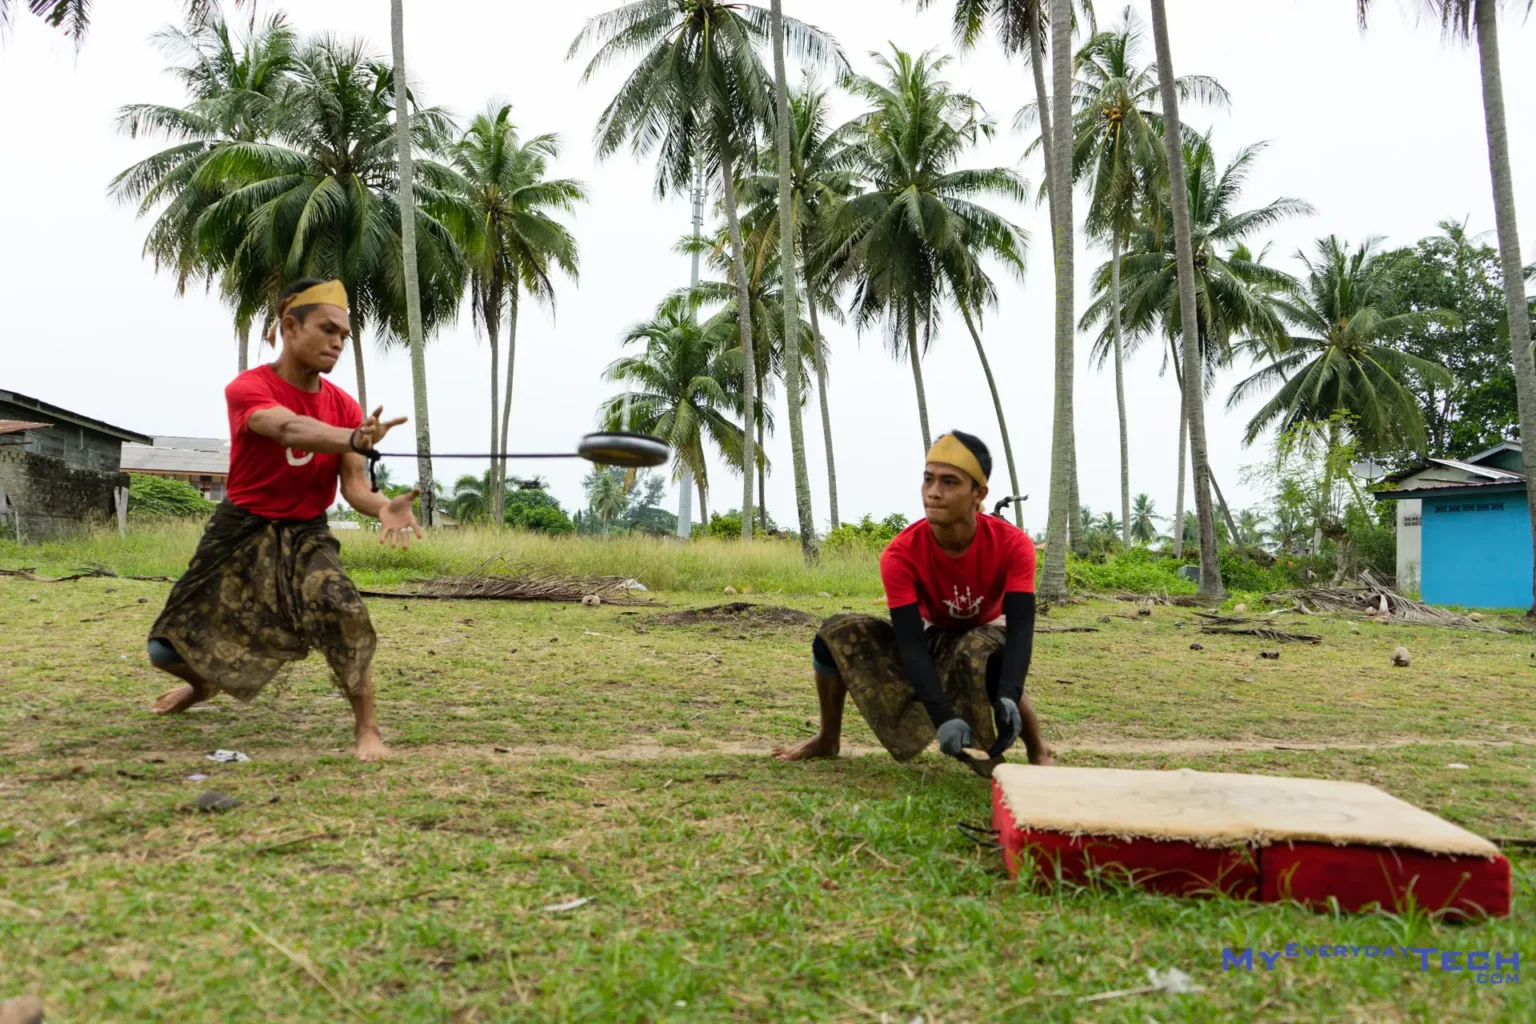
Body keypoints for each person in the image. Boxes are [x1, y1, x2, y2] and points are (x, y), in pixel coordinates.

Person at [145, 279, 422, 761]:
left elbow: (355, 488)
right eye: (327, 329)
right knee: (165, 650)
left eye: (344, 335)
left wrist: (382, 506)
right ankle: (201, 687)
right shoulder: (248, 388)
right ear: (290, 327)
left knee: (345, 610)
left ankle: (368, 730)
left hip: (306, 531)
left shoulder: (345, 407)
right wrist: (351, 438)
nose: (337, 341)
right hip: (239, 527)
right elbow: (288, 427)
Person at [773, 431, 1052, 775]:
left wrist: (1009, 692)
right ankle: (827, 738)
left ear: (978, 494)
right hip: (930, 637)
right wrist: (943, 718)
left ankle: (1039, 750)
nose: (934, 492)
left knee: (981, 651)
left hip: (985, 636)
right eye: (928, 479)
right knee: (835, 634)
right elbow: (911, 644)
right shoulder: (900, 553)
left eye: (950, 482)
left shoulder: (1013, 545)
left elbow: (1022, 629)